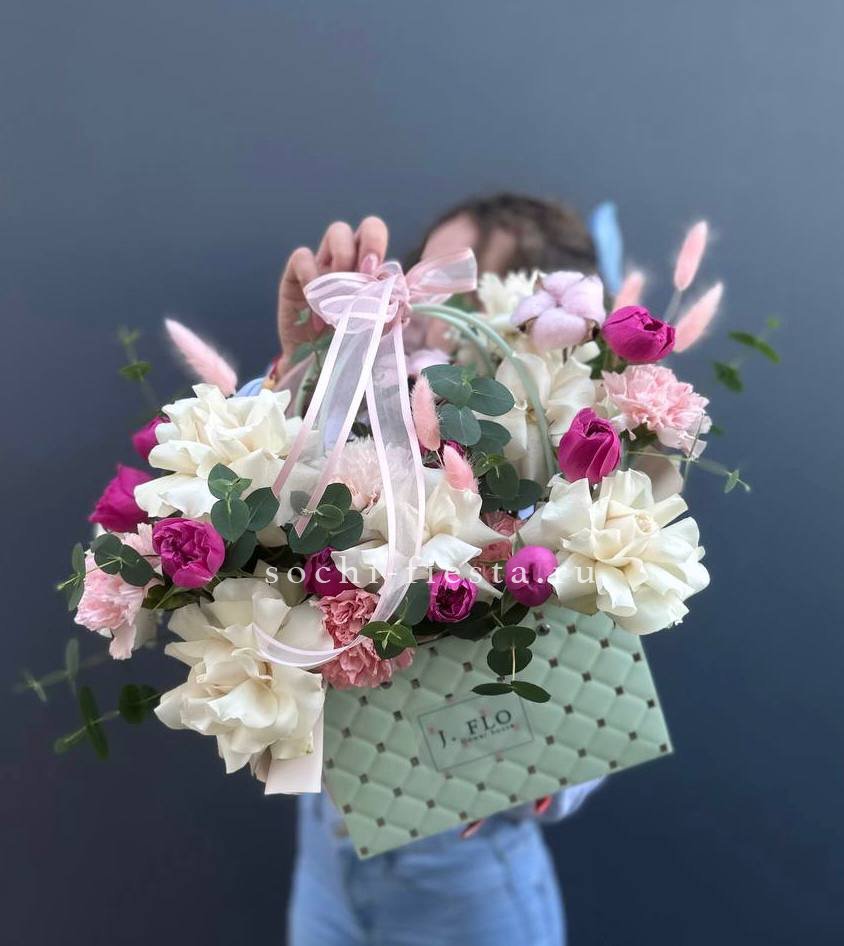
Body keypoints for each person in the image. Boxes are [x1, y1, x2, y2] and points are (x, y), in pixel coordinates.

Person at [254, 194, 619, 946]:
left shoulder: (563, 481)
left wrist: (522, 764)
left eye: (455, 293)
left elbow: (595, 708)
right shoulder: (359, 420)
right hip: (325, 861)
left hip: (463, 883)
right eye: (420, 275)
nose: (420, 313)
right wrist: (307, 366)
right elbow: (255, 530)